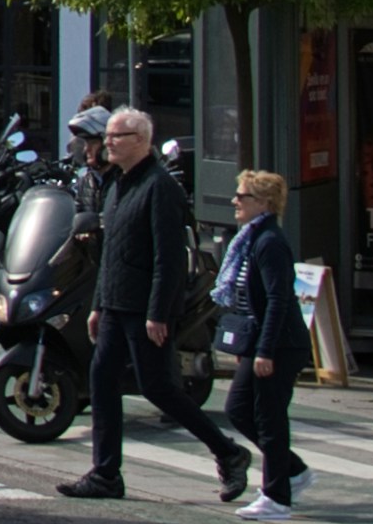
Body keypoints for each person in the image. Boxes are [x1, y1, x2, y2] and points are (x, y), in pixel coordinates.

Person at [64, 107, 248, 503]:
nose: (107, 142)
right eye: (107, 136)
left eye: (117, 135)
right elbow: (110, 252)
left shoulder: (160, 187)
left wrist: (158, 313)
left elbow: (169, 258)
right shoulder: (116, 185)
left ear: (141, 141)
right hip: (114, 304)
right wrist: (98, 305)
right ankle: (106, 473)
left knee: (159, 389)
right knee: (101, 382)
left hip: (143, 309)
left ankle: (229, 453)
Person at [211, 167, 312, 517]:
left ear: (264, 203)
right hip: (257, 343)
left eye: (243, 196)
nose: (235, 201)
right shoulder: (251, 239)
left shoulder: (270, 242)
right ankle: (293, 470)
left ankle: (277, 497)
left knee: (269, 419)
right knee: (238, 410)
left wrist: (266, 351)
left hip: (280, 345)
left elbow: (278, 301)